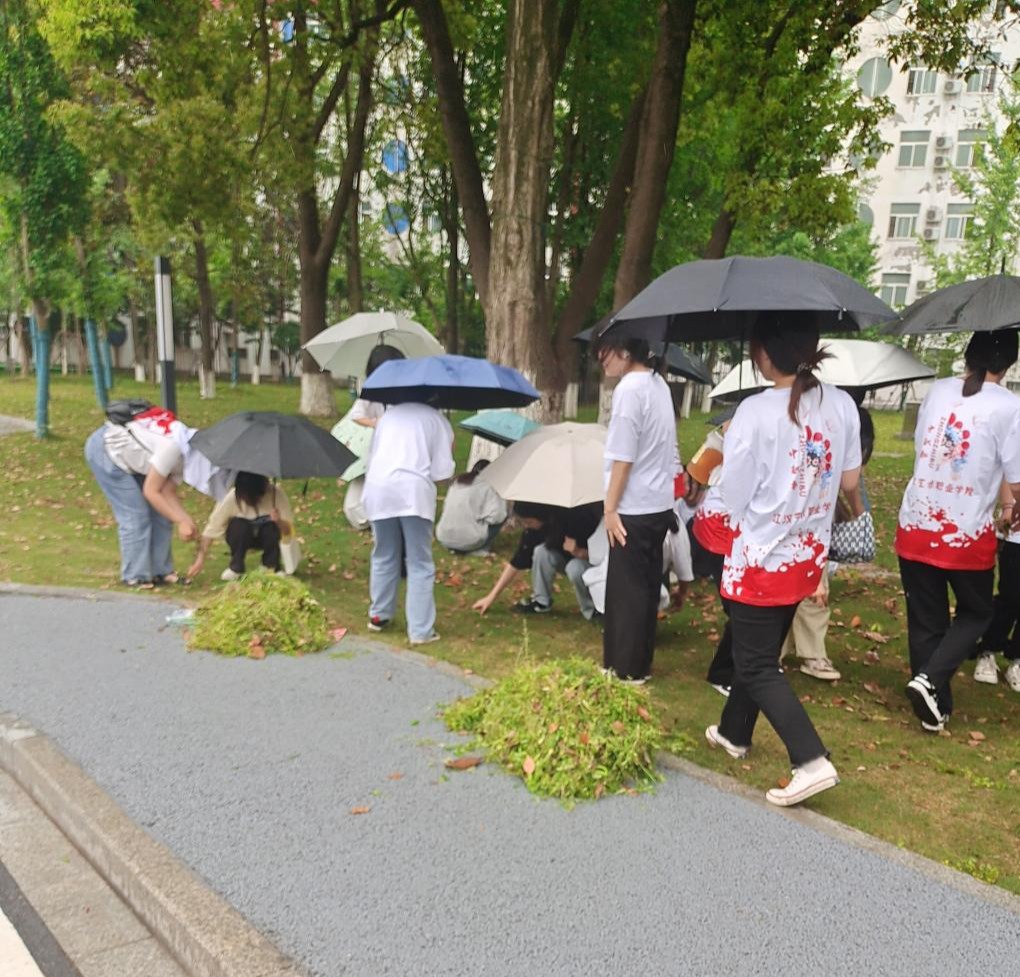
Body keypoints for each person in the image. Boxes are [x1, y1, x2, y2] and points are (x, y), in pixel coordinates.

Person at [705, 314, 862, 807]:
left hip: (762, 556)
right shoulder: (841, 404)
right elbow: (850, 482)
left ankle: (811, 760)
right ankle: (734, 733)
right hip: (807, 556)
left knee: (753, 664)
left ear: (763, 353)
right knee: (760, 651)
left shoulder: (754, 411)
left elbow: (734, 495)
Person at [897, 329, 1020, 731]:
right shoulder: (1010, 406)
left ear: (968, 355)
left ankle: (934, 709)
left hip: (917, 521)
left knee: (926, 619)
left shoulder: (938, 391)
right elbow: (1017, 478)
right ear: (1009, 364)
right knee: (978, 612)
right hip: (962, 531)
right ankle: (931, 681)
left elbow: (922, 448)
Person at [595, 332, 679, 683]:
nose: (601, 360)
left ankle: (625, 669)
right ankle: (638, 664)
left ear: (626, 352)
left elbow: (623, 456)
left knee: (626, 592)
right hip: (657, 503)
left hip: (633, 506)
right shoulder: (658, 384)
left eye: (605, 352)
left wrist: (609, 508)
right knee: (644, 588)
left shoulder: (630, 389)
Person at [780, 406, 877, 682]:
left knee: (810, 587)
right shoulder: (810, 430)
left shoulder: (832, 420)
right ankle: (785, 652)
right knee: (797, 587)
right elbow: (849, 482)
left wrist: (855, 510)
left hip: (812, 522)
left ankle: (805, 652)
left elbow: (846, 483)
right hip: (790, 519)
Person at [84, 406, 212, 587]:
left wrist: (185, 520)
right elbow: (151, 491)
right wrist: (180, 521)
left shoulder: (187, 459)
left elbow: (167, 492)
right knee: (135, 514)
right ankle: (135, 575)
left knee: (162, 514)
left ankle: (161, 571)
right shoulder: (173, 448)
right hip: (107, 450)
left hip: (134, 456)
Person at [362, 399, 455, 645]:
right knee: (419, 562)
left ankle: (379, 615)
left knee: (384, 553)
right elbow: (442, 472)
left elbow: (374, 455)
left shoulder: (387, 418)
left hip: (379, 489)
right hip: (413, 493)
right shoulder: (437, 420)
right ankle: (420, 630)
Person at [471, 501, 602, 620]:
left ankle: (592, 610)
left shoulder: (577, 518)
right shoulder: (534, 531)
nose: (526, 526)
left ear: (540, 516)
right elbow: (516, 562)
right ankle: (541, 602)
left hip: (590, 564)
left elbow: (602, 556)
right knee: (541, 551)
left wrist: (579, 552)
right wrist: (491, 596)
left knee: (574, 567)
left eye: (529, 522)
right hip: (565, 560)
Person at [340, 345, 406, 531]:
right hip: (379, 451)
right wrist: (376, 422)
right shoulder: (372, 391)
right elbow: (356, 415)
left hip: (402, 449)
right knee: (356, 506)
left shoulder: (405, 390)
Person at [186, 472, 295, 581]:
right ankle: (236, 567)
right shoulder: (231, 498)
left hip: (267, 537)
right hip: (242, 537)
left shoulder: (276, 495)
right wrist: (200, 560)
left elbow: (288, 530)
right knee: (239, 525)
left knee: (271, 527)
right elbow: (212, 529)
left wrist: (279, 521)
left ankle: (270, 565)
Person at [973, 482, 1020, 690]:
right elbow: (1009, 474)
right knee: (1010, 595)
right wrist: (1008, 508)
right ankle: (988, 650)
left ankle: (1017, 659)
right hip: (1016, 534)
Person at [436, 460, 508, 555]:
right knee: (503, 515)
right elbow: (498, 516)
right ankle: (480, 549)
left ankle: (456, 546)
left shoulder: (457, 482)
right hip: (471, 539)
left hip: (443, 537)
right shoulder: (489, 486)